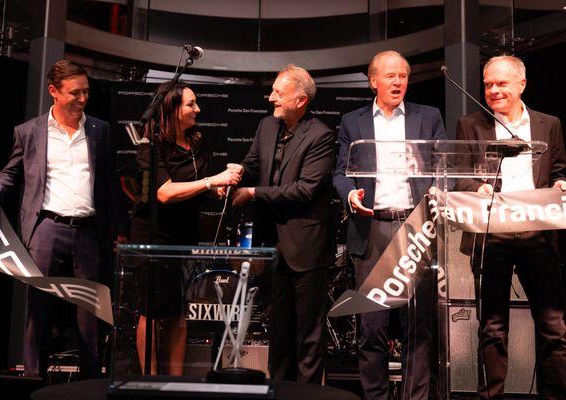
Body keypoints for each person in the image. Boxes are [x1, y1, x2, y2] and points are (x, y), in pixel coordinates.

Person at [0, 59, 128, 379]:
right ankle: (33, 380)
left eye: (86, 92)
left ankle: (90, 383)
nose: (82, 98)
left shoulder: (99, 130)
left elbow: (109, 185)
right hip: (46, 229)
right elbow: (11, 174)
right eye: (75, 93)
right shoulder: (29, 131)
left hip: (89, 232)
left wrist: (120, 230)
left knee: (91, 313)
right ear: (53, 92)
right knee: (40, 311)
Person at [332, 50, 446, 400]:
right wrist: (351, 196)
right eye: (390, 76)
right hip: (373, 230)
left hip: (416, 226)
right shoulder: (353, 122)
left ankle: (415, 396)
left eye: (403, 76)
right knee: (372, 326)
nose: (398, 82)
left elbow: (444, 166)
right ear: (373, 81)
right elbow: (340, 173)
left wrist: (442, 190)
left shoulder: (429, 117)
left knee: (418, 323)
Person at [455, 55, 566, 400]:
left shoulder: (550, 124)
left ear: (521, 84)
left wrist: (562, 184)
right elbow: (460, 177)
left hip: (538, 234)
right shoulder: (469, 124)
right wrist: (477, 188)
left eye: (502, 83)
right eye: (488, 84)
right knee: (492, 329)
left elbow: (559, 169)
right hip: (492, 235)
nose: (493, 90)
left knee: (554, 327)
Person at [130, 82, 242, 375]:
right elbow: (165, 193)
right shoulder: (151, 146)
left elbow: (203, 188)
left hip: (184, 236)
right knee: (151, 312)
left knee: (180, 311)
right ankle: (149, 380)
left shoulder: (196, 143)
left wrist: (224, 184)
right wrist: (210, 182)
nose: (198, 109)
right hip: (153, 236)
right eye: (191, 104)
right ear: (172, 109)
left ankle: (177, 379)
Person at [233, 65, 336, 383]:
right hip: (271, 245)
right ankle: (278, 389)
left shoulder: (321, 135)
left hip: (306, 247)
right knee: (278, 329)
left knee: (308, 333)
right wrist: (234, 173)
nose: (271, 97)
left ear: (301, 99)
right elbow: (252, 164)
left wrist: (253, 192)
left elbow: (305, 189)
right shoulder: (266, 126)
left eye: (279, 92)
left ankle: (306, 393)